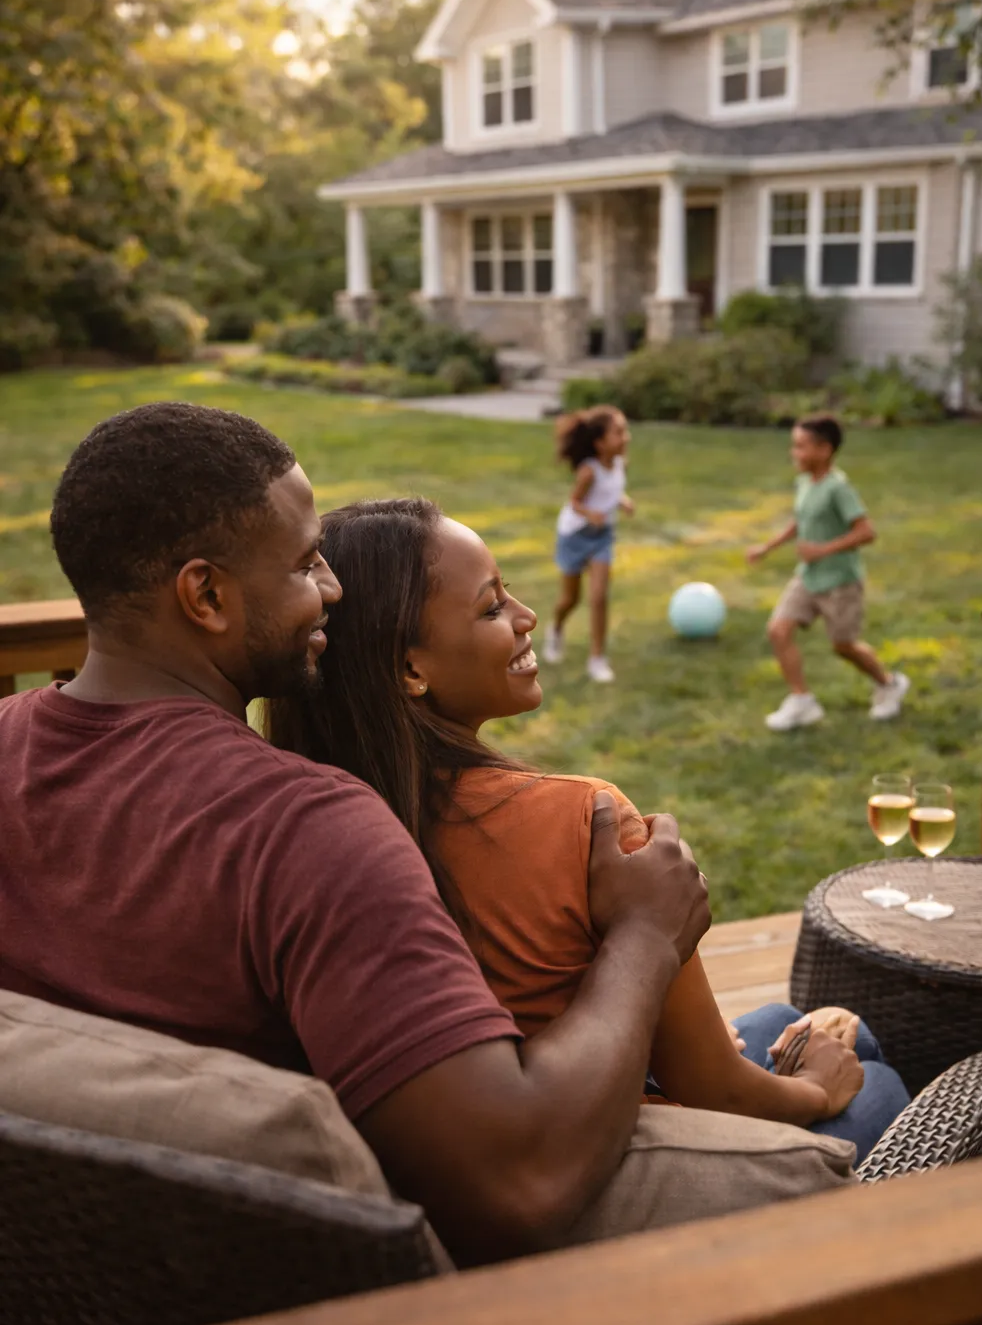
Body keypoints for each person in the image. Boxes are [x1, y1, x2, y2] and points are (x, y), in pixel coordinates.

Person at [0, 401, 849, 1272]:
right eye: (304, 565)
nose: (331, 588)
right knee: (873, 1084)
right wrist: (644, 937)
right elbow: (517, 1184)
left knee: (779, 1020)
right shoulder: (304, 831)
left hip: (75, 1284)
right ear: (207, 595)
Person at [267, 498, 908, 1165]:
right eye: (491, 607)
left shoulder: (327, 817)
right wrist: (816, 1090)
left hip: (503, 1123)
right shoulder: (589, 824)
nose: (526, 616)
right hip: (626, 1147)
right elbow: (716, 1090)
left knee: (783, 1024)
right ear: (410, 670)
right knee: (871, 1073)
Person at [747, 414, 910, 732]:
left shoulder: (839, 488)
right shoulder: (805, 482)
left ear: (824, 450)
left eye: (800, 447)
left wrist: (822, 550)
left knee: (843, 645)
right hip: (808, 577)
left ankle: (889, 684)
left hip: (840, 582)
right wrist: (768, 547)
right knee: (778, 630)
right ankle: (802, 701)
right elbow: (800, 520)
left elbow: (866, 532)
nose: (794, 453)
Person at [543, 405, 634, 685]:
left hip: (602, 536)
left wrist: (622, 500)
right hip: (574, 536)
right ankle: (556, 628)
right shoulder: (588, 472)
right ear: (600, 444)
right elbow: (575, 503)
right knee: (571, 599)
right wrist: (590, 513)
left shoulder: (619, 463)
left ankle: (597, 659)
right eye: (618, 433)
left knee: (599, 596)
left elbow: (612, 489)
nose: (626, 437)